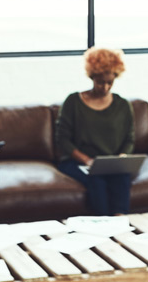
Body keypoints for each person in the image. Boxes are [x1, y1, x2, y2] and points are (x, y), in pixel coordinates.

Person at [55, 47, 135, 217]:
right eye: (100, 82)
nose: (105, 87)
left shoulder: (122, 105)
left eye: (110, 83)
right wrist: (87, 160)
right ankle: (103, 224)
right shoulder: (73, 102)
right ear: (92, 77)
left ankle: (119, 223)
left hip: (110, 163)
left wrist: (122, 157)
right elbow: (62, 139)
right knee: (96, 180)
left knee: (122, 177)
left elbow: (129, 138)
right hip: (77, 162)